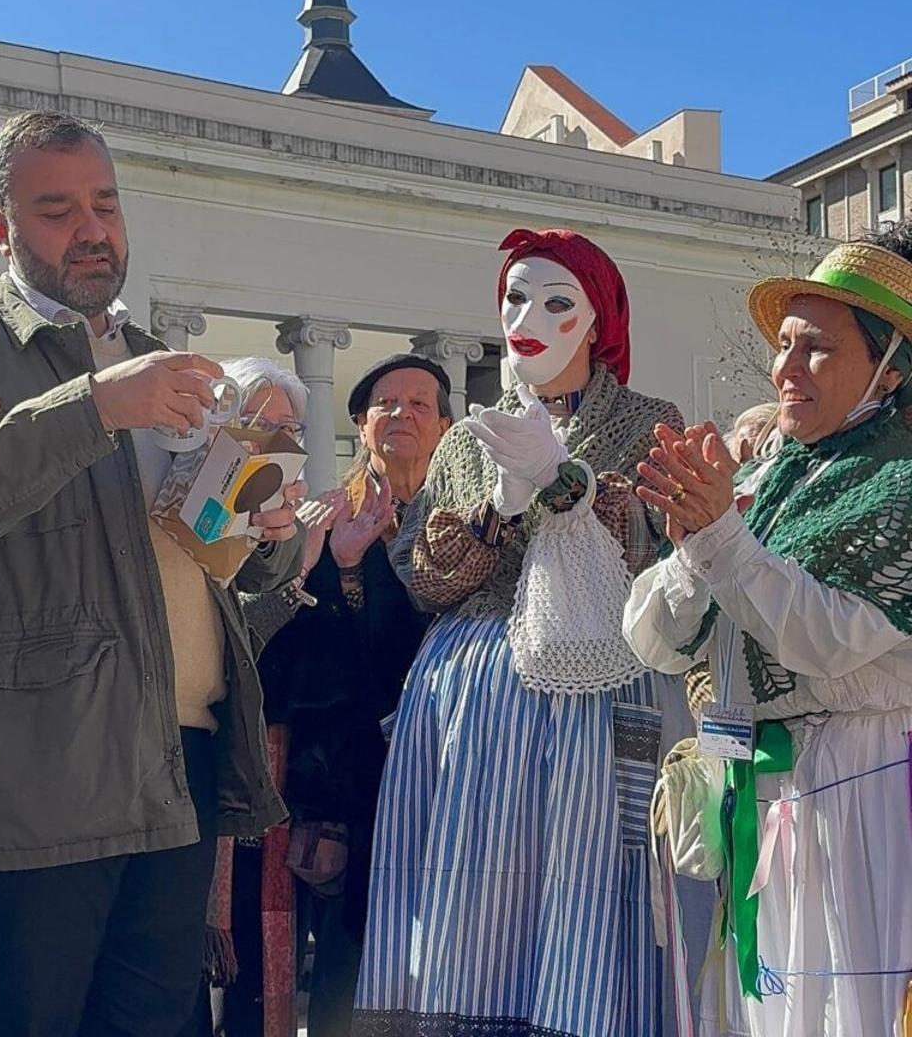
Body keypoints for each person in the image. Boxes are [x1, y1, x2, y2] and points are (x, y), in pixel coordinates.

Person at [0, 109, 306, 1037]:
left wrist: (265, 530)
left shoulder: (158, 354)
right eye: (56, 210)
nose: (92, 230)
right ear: (0, 228)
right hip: (32, 767)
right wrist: (95, 406)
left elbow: (208, 551)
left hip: (175, 754)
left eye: (105, 204)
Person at [354, 228, 684, 1037]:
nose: (526, 316)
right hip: (472, 695)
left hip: (595, 686)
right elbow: (427, 579)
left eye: (555, 300)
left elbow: (673, 555)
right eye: (513, 297)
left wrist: (579, 492)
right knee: (474, 891)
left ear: (598, 319)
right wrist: (497, 510)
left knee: (585, 879)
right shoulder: (467, 438)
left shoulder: (650, 421)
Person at [624, 231, 912, 1037]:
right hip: (769, 790)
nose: (785, 369)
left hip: (866, 785)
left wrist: (720, 537)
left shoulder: (901, 485)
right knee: (771, 1010)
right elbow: (650, 637)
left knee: (856, 1005)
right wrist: (696, 544)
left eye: (817, 348)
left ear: (890, 370)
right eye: (784, 346)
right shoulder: (767, 478)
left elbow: (823, 639)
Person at [214, 354, 452, 1037]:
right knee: (350, 981)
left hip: (446, 779)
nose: (401, 415)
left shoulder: (463, 528)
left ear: (443, 428)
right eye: (386, 403)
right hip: (347, 794)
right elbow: (292, 667)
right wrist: (345, 574)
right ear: (360, 423)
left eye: (419, 404)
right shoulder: (321, 519)